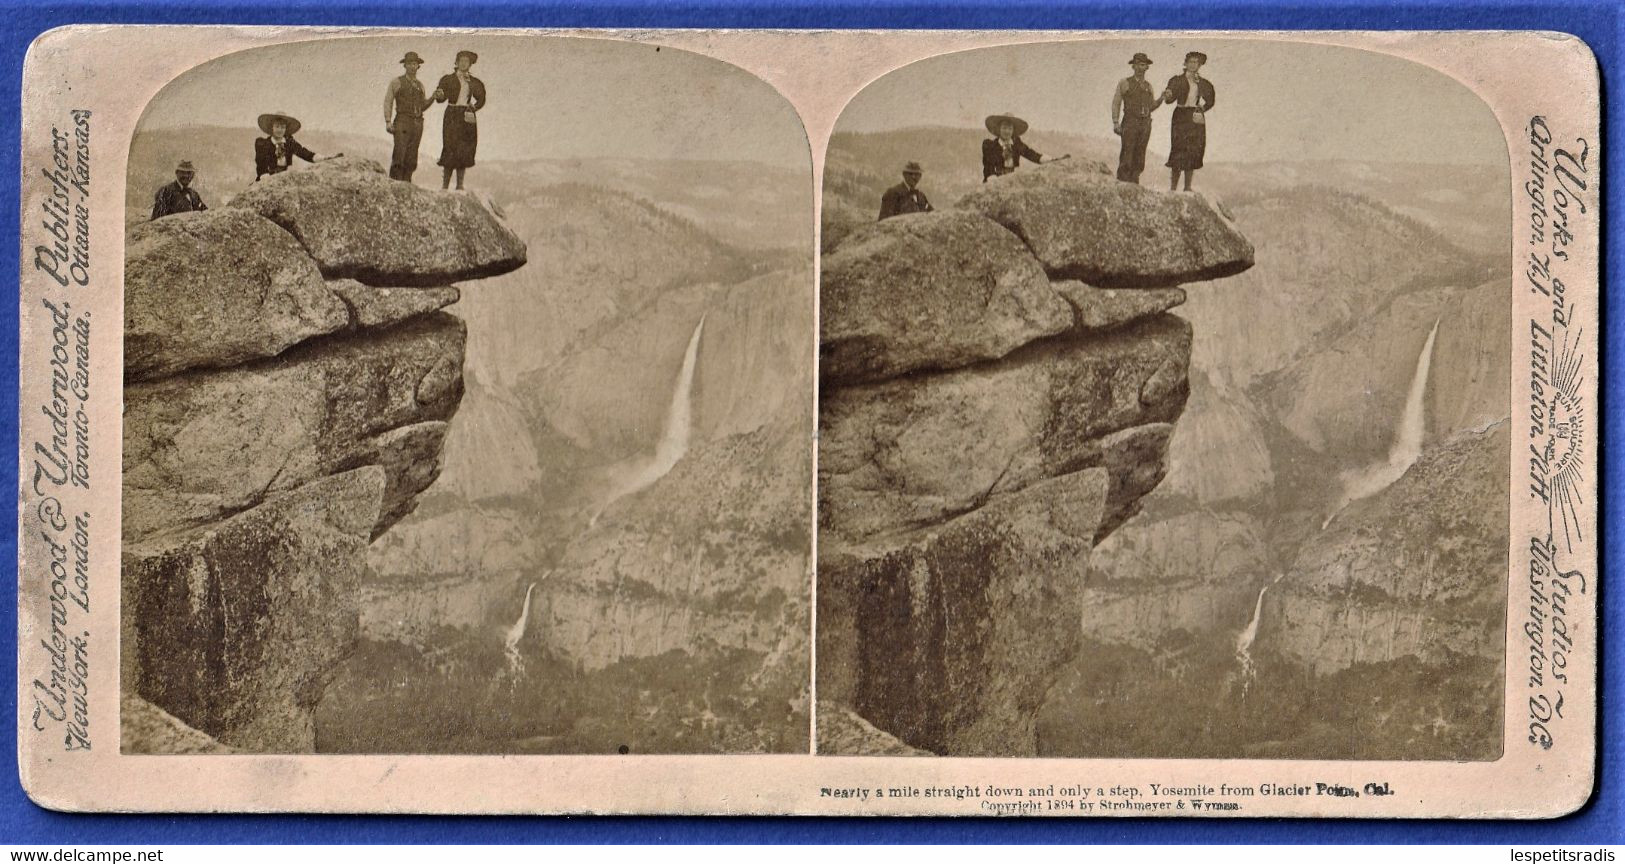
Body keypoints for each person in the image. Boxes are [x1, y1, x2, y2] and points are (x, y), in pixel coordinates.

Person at [1161, 51, 1216, 191]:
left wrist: (1202, 109)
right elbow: (1169, 99)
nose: (1193, 65)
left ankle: (1187, 187)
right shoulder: (1177, 80)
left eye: (1196, 62)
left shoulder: (1203, 83)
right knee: (1178, 149)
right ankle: (1173, 188)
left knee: (1193, 150)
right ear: (1185, 63)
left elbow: (1211, 100)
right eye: (1190, 62)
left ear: (1199, 65)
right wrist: (1168, 95)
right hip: (1180, 115)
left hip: (1195, 117)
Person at [434, 49, 486, 190]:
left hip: (467, 116)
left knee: (464, 149)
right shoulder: (447, 79)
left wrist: (474, 107)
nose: (464, 64)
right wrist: (439, 95)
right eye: (461, 61)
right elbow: (441, 98)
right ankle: (445, 185)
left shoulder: (474, 82)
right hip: (452, 114)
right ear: (456, 62)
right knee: (450, 147)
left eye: (467, 61)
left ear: (470, 64)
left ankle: (460, 185)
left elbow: (482, 98)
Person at [1111, 53, 1161, 184]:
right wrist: (1116, 122)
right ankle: (1122, 184)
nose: (1140, 68)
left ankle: (1134, 184)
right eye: (1138, 64)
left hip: (1145, 124)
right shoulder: (1125, 83)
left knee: (1140, 156)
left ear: (1147, 68)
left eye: (1143, 65)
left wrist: (1162, 98)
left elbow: (1151, 106)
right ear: (1133, 66)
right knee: (1127, 153)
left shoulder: (1148, 86)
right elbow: (1116, 102)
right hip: (1130, 122)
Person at [384, 52, 434, 182]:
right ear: (404, 65)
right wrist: (388, 121)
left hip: (417, 123)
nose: (412, 66)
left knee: (412, 157)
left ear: (418, 66)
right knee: (399, 154)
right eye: (410, 64)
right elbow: (388, 101)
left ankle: (407, 184)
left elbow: (423, 106)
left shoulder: (420, 86)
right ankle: (394, 184)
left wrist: (433, 97)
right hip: (402, 121)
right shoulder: (396, 82)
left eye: (415, 64)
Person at [981, 113, 1067, 182]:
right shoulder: (990, 146)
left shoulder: (1016, 144)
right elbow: (988, 167)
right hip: (993, 182)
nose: (1007, 131)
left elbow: (1031, 154)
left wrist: (1053, 160)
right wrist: (994, 181)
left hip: (1010, 182)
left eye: (1010, 129)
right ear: (999, 129)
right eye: (1004, 128)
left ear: (1013, 131)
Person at [254, 111, 321, 180]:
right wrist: (264, 175)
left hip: (284, 176)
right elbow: (260, 162)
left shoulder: (289, 142)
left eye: (283, 127)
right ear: (272, 127)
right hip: (268, 176)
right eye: (277, 127)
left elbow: (302, 152)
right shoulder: (263, 144)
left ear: (286, 129)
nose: (280, 130)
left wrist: (315, 157)